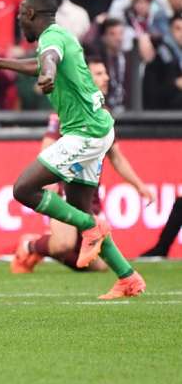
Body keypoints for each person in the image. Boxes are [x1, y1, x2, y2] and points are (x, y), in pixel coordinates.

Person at [0, 0, 146, 299]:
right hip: (96, 129)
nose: (20, 24)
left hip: (85, 132)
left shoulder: (51, 40)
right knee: (80, 207)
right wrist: (2, 62)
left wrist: (49, 74)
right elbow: (43, 62)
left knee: (23, 189)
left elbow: (49, 59)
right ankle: (128, 277)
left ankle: (91, 227)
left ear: (29, 15)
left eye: (20, 18)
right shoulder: (61, 35)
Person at [12, 55, 154, 273]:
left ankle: (40, 246)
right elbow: (48, 142)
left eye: (105, 72)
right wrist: (47, 179)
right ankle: (29, 245)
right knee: (63, 245)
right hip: (64, 186)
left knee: (97, 266)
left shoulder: (101, 113)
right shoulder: (70, 107)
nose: (106, 78)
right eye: (98, 73)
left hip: (89, 189)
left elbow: (115, 156)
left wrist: (139, 186)